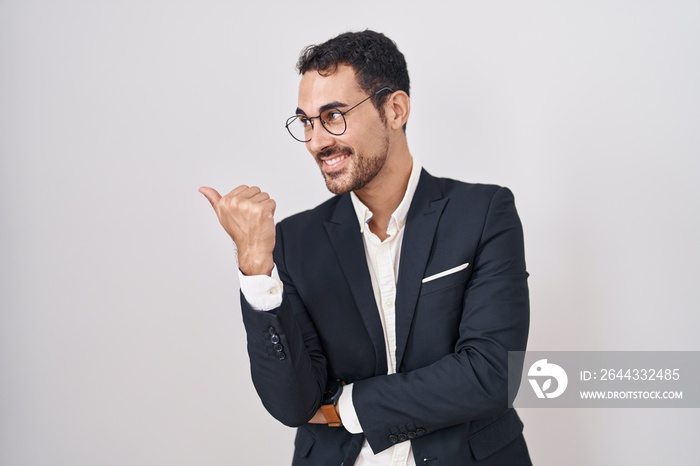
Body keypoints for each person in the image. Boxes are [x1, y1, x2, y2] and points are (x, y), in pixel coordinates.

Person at [200, 30, 532, 466]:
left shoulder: (483, 212)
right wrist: (256, 267)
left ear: (394, 109)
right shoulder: (294, 243)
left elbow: (491, 376)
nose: (317, 141)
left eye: (333, 115)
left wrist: (347, 407)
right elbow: (292, 404)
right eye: (306, 122)